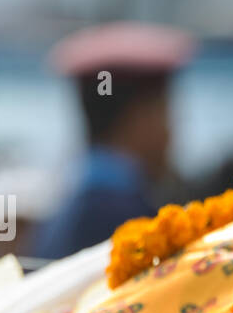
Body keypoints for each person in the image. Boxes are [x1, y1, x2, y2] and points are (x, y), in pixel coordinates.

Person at [32, 22, 194, 260]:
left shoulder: (65, 209)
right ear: (140, 118)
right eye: (165, 113)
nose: (172, 132)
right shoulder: (127, 220)